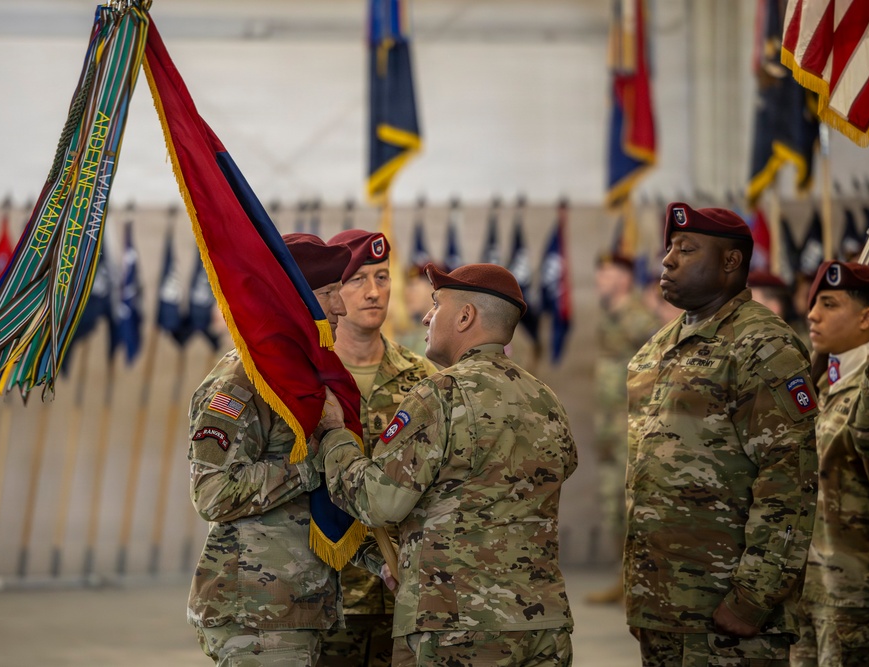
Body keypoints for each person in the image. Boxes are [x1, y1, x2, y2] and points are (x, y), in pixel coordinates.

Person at [312, 263, 578, 667]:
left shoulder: (440, 394)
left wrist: (334, 436)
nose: (425, 316)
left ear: (465, 316)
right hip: (542, 623)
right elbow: (564, 467)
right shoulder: (545, 398)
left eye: (436, 305)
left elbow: (379, 501)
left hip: (456, 625)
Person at [624, 202, 819, 667]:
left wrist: (753, 597)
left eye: (686, 249)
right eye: (670, 247)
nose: (668, 259)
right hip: (665, 605)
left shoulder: (763, 345)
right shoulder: (659, 346)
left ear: (731, 262)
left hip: (728, 614)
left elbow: (790, 482)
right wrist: (644, 591)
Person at [186, 232, 350, 665]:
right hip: (256, 613)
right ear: (293, 299)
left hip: (296, 605)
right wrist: (313, 461)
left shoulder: (302, 377)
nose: (342, 307)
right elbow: (213, 492)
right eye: (330, 293)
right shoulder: (243, 382)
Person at [319, 229, 435, 667]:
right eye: (357, 280)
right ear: (332, 291)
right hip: (327, 591)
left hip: (403, 589)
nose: (373, 292)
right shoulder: (307, 380)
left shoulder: (424, 378)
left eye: (383, 277)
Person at [790, 260, 869, 667]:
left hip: (852, 597)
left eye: (829, 304)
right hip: (808, 585)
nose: (812, 314)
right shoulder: (824, 379)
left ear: (867, 318)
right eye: (814, 303)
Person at [587, 251, 660, 604]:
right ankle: (625, 579)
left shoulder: (637, 317)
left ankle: (640, 583)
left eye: (607, 273)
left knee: (631, 506)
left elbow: (658, 364)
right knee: (612, 506)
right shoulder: (610, 317)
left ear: (625, 279)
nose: (600, 279)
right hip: (609, 428)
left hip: (631, 427)